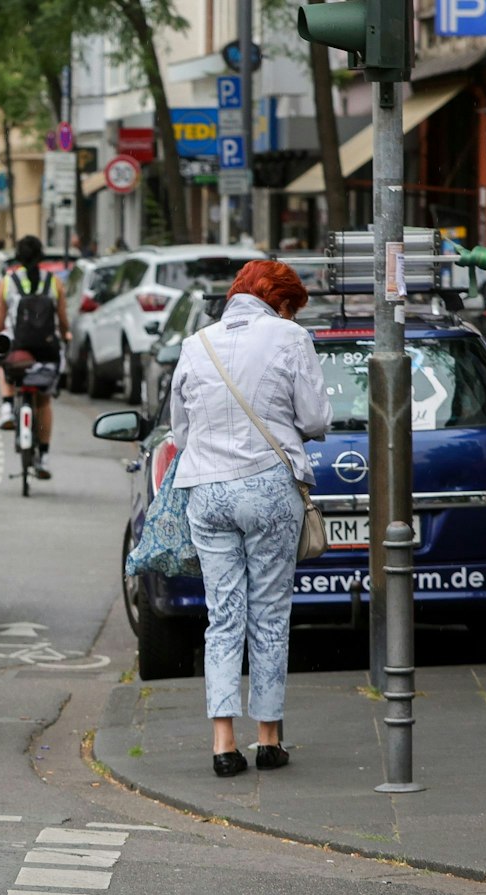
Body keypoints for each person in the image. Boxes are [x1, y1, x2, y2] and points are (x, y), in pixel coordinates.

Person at [167, 260, 330, 778]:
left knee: (223, 614)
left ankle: (222, 743)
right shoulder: (290, 337)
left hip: (206, 489)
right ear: (281, 302)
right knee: (268, 612)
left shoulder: (197, 343)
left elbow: (180, 429)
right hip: (266, 485)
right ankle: (268, 738)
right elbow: (315, 419)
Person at [0, 235, 71, 479]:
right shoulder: (54, 282)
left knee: (3, 360)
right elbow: (63, 318)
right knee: (44, 401)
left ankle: (6, 407)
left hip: (19, 349)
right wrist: (65, 334)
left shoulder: (8, 281)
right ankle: (43, 456)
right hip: (46, 349)